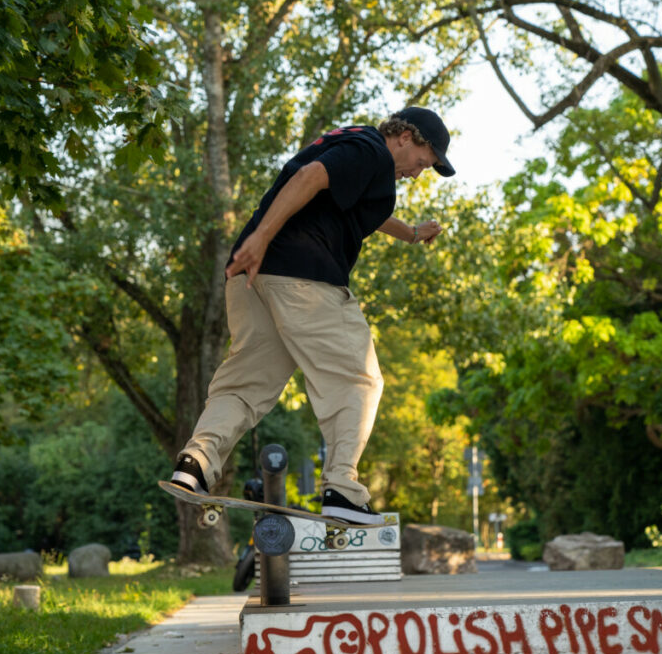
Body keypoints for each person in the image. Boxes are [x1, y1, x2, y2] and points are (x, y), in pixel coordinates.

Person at [170, 106, 455, 524]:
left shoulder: (356, 147)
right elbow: (311, 179)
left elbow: (363, 212)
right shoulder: (371, 150)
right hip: (301, 275)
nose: (417, 173)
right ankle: (341, 486)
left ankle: (195, 462)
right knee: (358, 377)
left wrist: (411, 233)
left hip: (252, 276)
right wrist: (262, 238)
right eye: (422, 162)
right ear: (406, 137)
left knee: (247, 383)